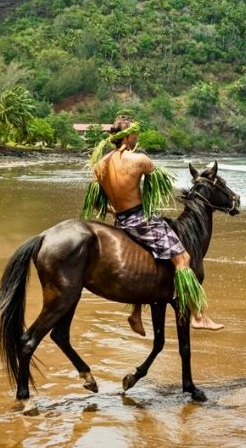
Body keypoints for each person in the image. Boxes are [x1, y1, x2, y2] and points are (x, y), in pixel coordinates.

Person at [94, 115, 224, 334]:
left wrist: (119, 210)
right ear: (128, 137)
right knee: (183, 258)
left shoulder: (100, 165)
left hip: (120, 221)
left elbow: (100, 204)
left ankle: (135, 315)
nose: (137, 138)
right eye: (135, 134)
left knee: (149, 261)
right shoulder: (139, 160)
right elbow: (157, 183)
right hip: (141, 221)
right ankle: (198, 316)